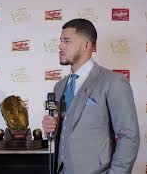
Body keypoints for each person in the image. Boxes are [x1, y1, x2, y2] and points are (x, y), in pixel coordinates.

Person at [42, 18, 140, 174]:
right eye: (60, 41)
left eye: (67, 41)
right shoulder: (59, 86)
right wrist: (50, 127)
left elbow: (129, 136)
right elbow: (64, 128)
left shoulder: (113, 81)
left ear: (87, 45)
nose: (60, 46)